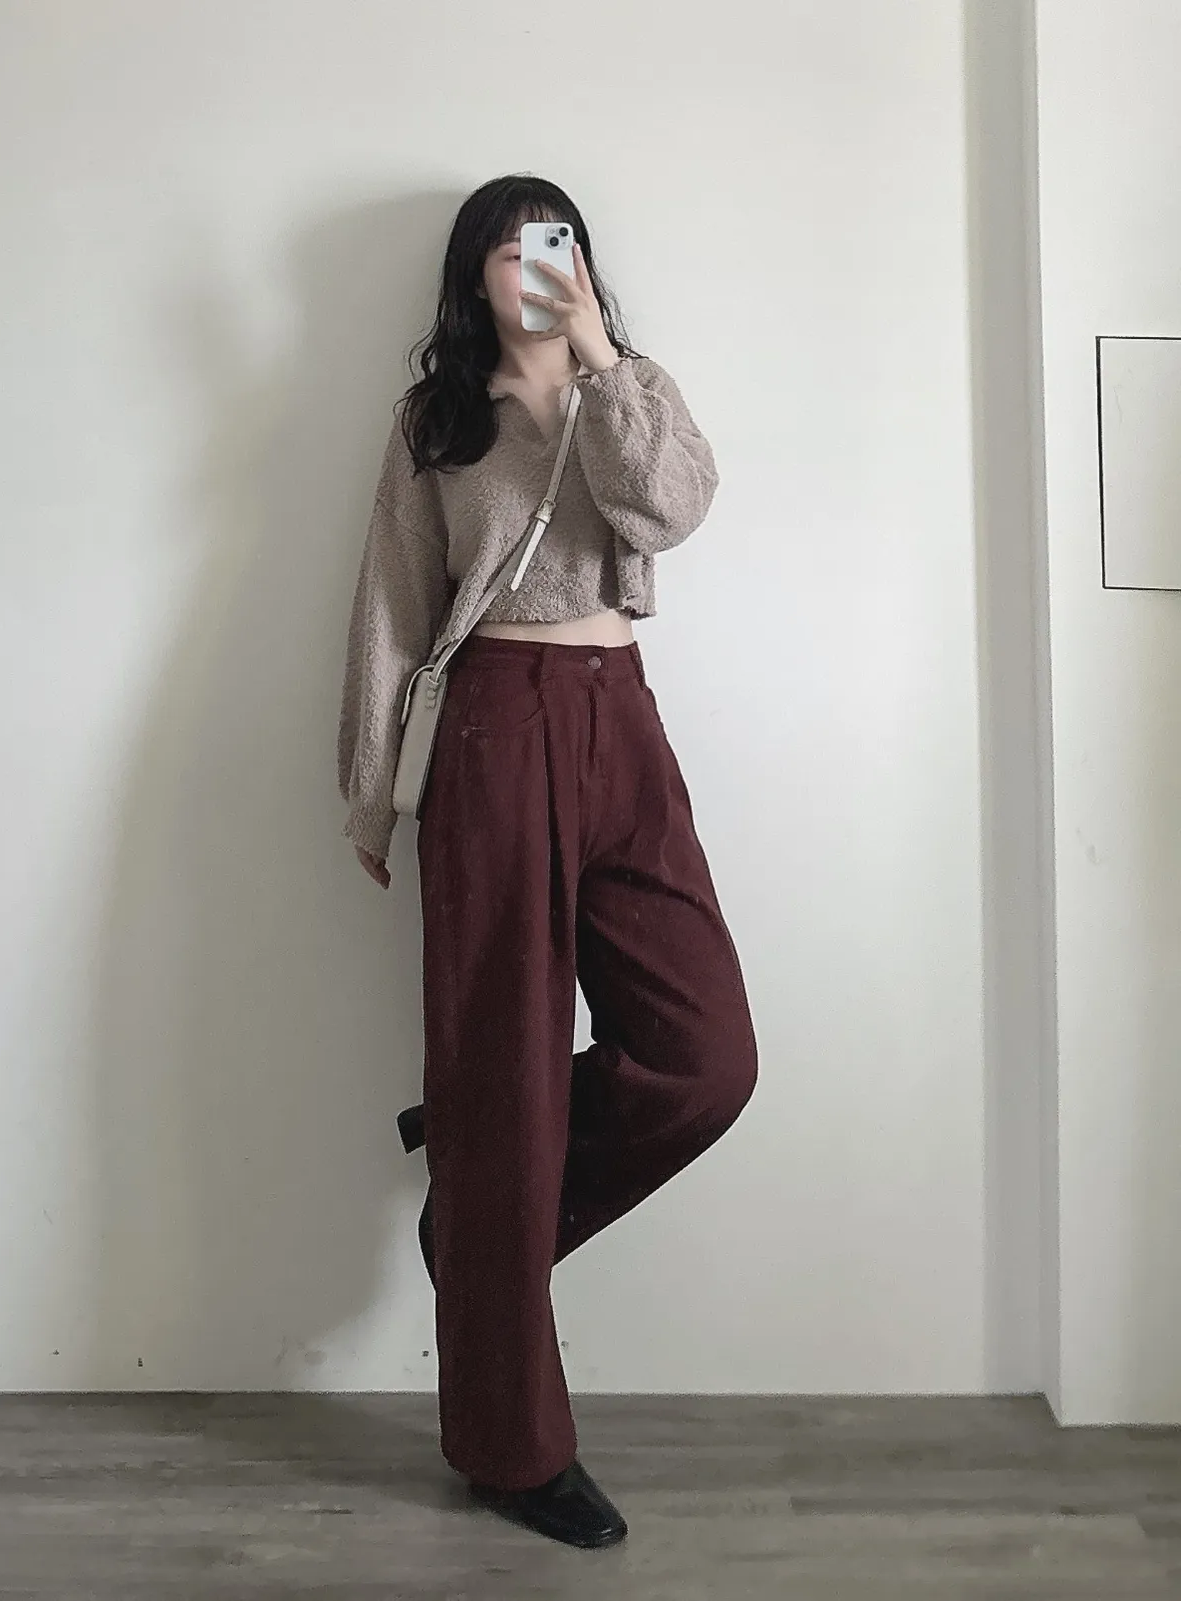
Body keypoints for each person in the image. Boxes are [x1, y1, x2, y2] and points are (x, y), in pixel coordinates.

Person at [336, 174, 757, 1550]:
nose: (535, 268)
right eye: (510, 251)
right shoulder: (438, 421)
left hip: (621, 720)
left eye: (555, 247)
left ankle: (477, 1204)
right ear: (472, 270)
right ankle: (511, 1450)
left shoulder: (627, 391)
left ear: (582, 263)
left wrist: (594, 357)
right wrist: (371, 795)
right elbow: (393, 604)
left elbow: (669, 511)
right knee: (500, 1066)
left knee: (706, 1055)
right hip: (495, 728)